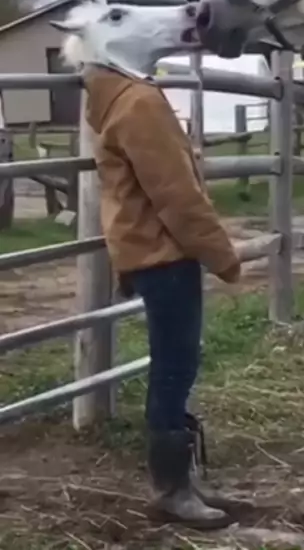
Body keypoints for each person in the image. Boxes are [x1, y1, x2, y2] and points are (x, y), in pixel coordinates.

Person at [83, 65, 241, 529]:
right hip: (163, 252)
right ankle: (172, 489)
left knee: (175, 363)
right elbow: (176, 194)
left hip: (146, 249)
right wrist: (221, 255)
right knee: (175, 366)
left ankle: (179, 481)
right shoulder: (140, 103)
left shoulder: (116, 99)